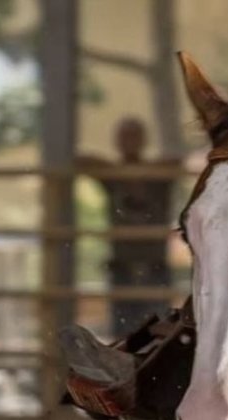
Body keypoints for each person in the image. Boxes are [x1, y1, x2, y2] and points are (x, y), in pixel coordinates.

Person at [80, 117, 178, 337]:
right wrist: (121, 170)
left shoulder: (159, 176)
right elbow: (82, 160)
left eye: (134, 136)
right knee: (123, 335)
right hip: (122, 267)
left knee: (158, 333)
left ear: (144, 140)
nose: (129, 142)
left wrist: (140, 172)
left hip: (155, 266)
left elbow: (177, 162)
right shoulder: (113, 177)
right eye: (124, 136)